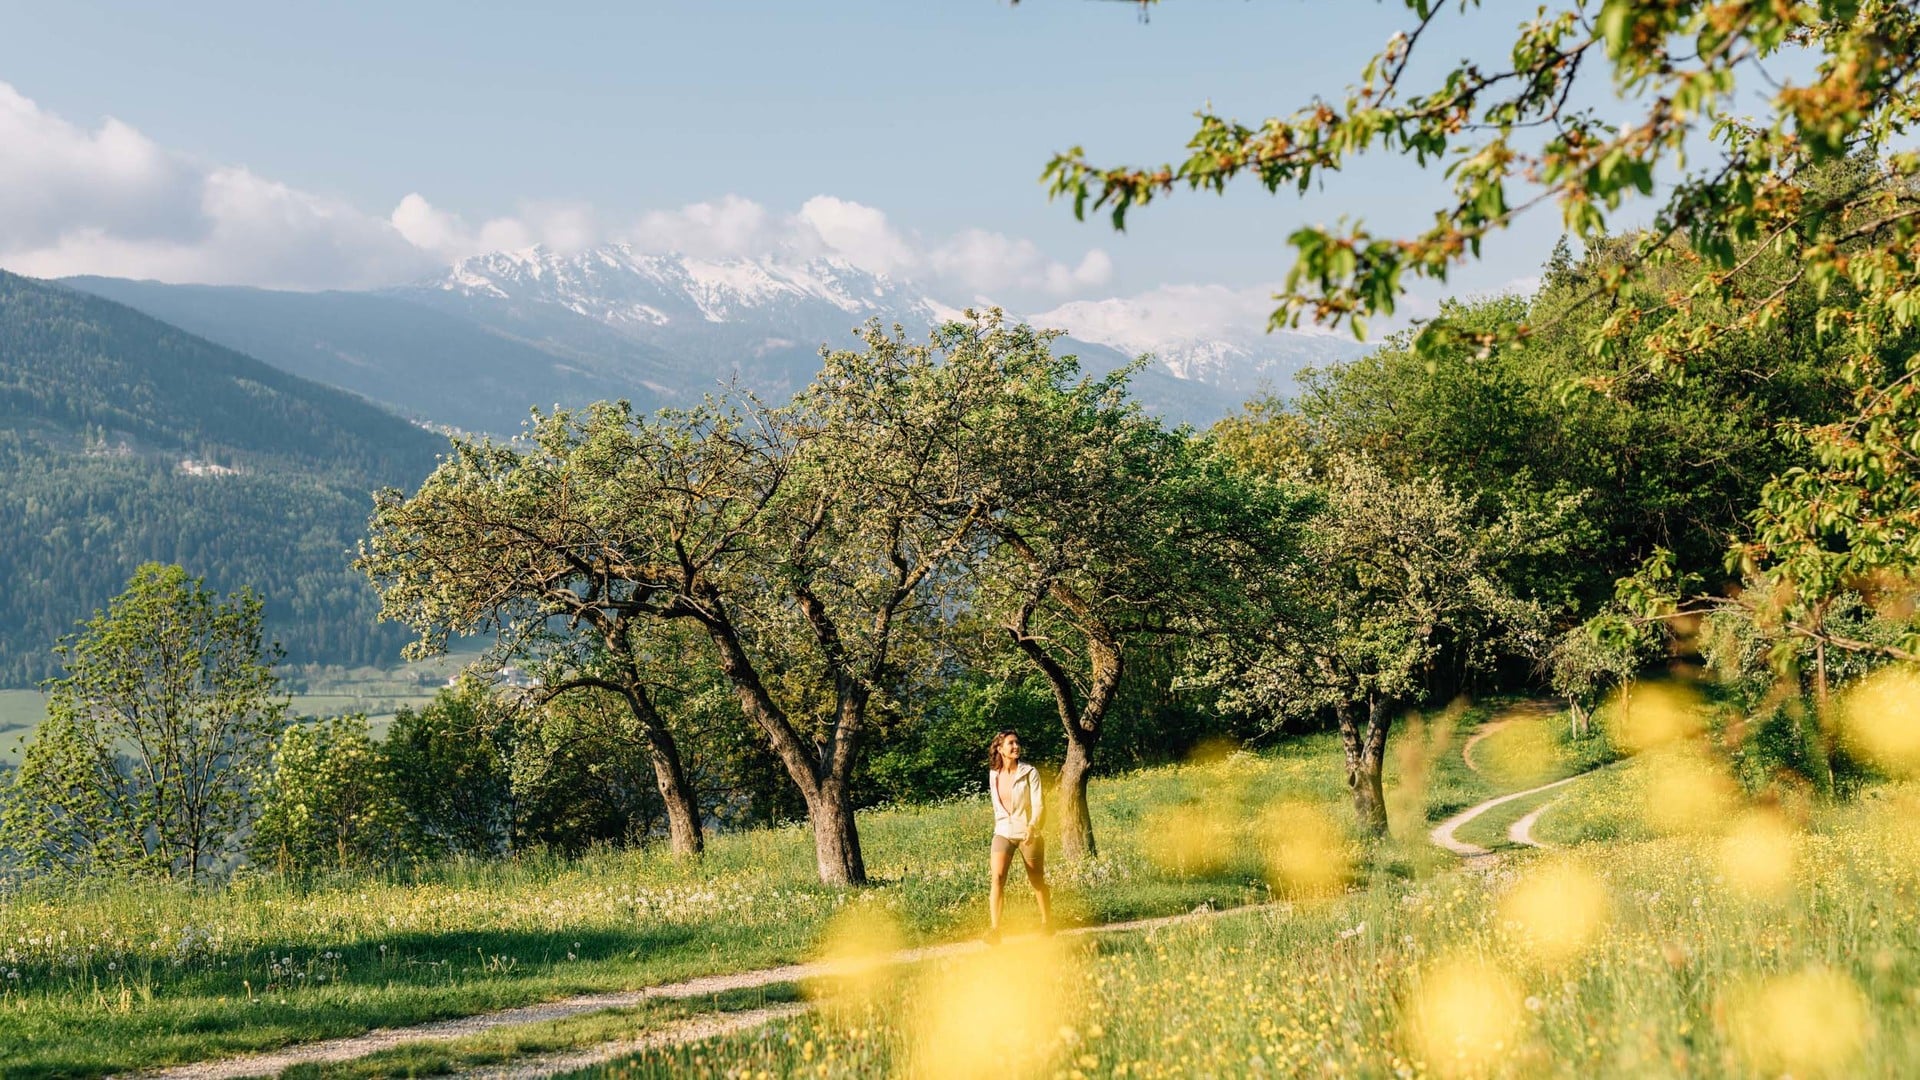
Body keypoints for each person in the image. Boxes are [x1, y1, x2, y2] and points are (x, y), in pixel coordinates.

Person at [986, 729, 1051, 943]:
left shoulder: (1029, 772)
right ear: (1000, 748)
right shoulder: (993, 774)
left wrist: (1033, 826)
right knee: (997, 877)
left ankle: (1046, 922)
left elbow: (1039, 803)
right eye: (1011, 743)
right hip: (1003, 831)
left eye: (1017, 743)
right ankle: (995, 930)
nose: (1016, 747)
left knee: (1036, 880)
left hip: (1026, 831)